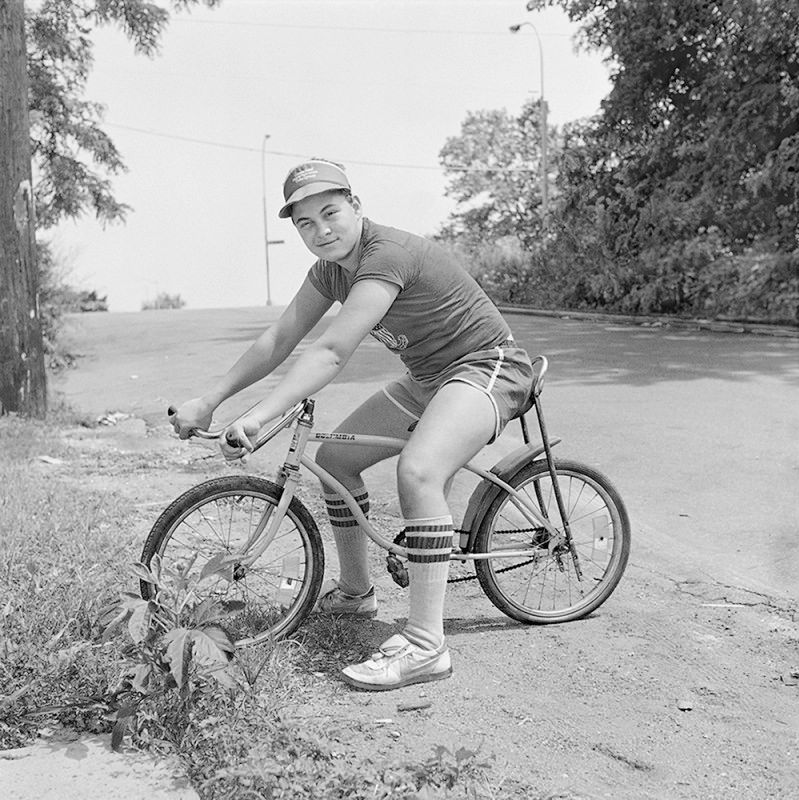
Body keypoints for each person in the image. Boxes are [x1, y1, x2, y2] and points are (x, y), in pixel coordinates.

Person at [170, 159, 533, 691]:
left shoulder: (386, 254)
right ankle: (357, 593)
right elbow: (280, 338)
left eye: (330, 213)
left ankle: (427, 646)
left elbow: (334, 349)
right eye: (304, 223)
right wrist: (212, 399)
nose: (321, 230)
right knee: (337, 461)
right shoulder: (328, 271)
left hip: (488, 366)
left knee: (420, 473)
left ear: (355, 206)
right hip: (430, 377)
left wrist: (259, 415)